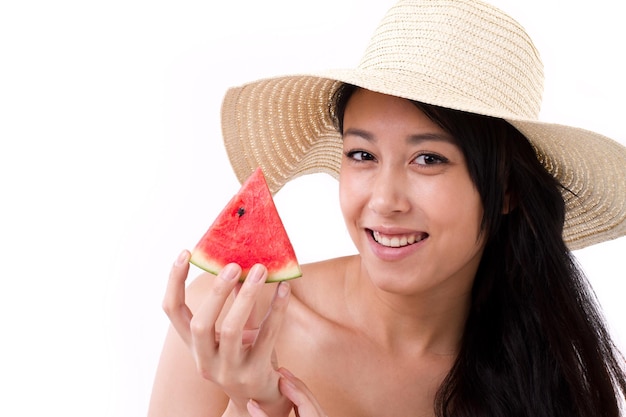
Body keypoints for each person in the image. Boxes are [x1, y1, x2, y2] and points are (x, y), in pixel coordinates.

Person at [148, 0, 626, 416]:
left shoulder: (547, 373)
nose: (383, 200)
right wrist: (250, 401)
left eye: (428, 159)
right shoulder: (222, 321)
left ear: (506, 190)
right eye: (362, 155)